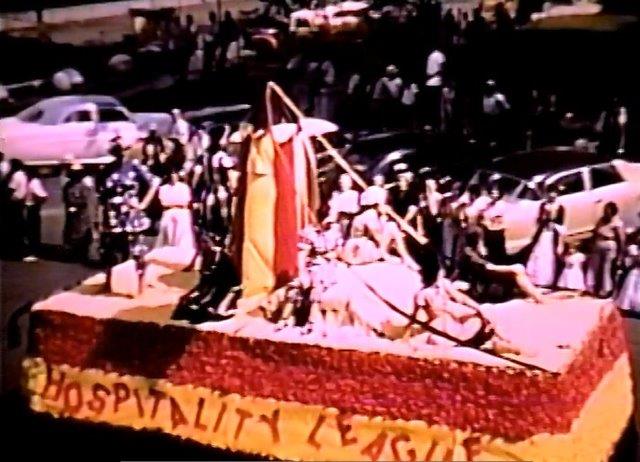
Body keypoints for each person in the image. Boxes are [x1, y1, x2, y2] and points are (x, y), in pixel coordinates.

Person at [459, 230, 547, 304]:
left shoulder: (474, 249)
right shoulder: (469, 252)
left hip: (487, 272)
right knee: (517, 269)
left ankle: (533, 292)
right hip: (486, 273)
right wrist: (511, 268)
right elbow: (487, 267)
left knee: (518, 268)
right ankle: (537, 296)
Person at [525, 194, 566, 287]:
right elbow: (539, 221)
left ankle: (548, 281)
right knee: (539, 256)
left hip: (553, 236)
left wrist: (560, 243)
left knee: (550, 258)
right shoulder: (543, 205)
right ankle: (537, 280)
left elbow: (561, 224)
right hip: (543, 235)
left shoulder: (560, 207)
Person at [586, 202, 624, 298]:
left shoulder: (616, 222)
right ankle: (593, 287)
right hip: (598, 244)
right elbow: (595, 231)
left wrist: (620, 254)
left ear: (613, 211)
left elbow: (621, 239)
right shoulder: (601, 220)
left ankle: (606, 290)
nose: (605, 212)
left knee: (606, 268)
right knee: (594, 267)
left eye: (607, 210)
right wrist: (592, 243)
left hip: (609, 245)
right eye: (605, 210)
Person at [63, 164, 98, 262]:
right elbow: (65, 198)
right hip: (71, 213)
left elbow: (85, 200)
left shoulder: (83, 186)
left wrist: (77, 204)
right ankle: (72, 250)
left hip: (82, 214)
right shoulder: (68, 186)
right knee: (71, 230)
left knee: (82, 231)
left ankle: (83, 252)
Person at [1, 159, 28, 259]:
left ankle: (12, 252)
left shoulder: (16, 175)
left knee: (12, 229)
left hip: (13, 204)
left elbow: (10, 189)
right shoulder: (23, 175)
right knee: (18, 228)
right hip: (19, 203)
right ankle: (19, 251)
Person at [23, 169, 49, 262]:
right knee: (32, 230)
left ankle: (32, 252)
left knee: (31, 231)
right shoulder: (33, 181)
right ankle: (33, 251)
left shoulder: (34, 182)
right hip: (32, 207)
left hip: (32, 207)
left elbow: (42, 195)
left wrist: (37, 201)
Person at [425, 47, 446, 129]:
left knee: (431, 106)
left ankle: (430, 124)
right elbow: (443, 68)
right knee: (438, 106)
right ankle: (438, 125)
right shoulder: (440, 55)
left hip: (429, 83)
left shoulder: (430, 55)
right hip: (437, 83)